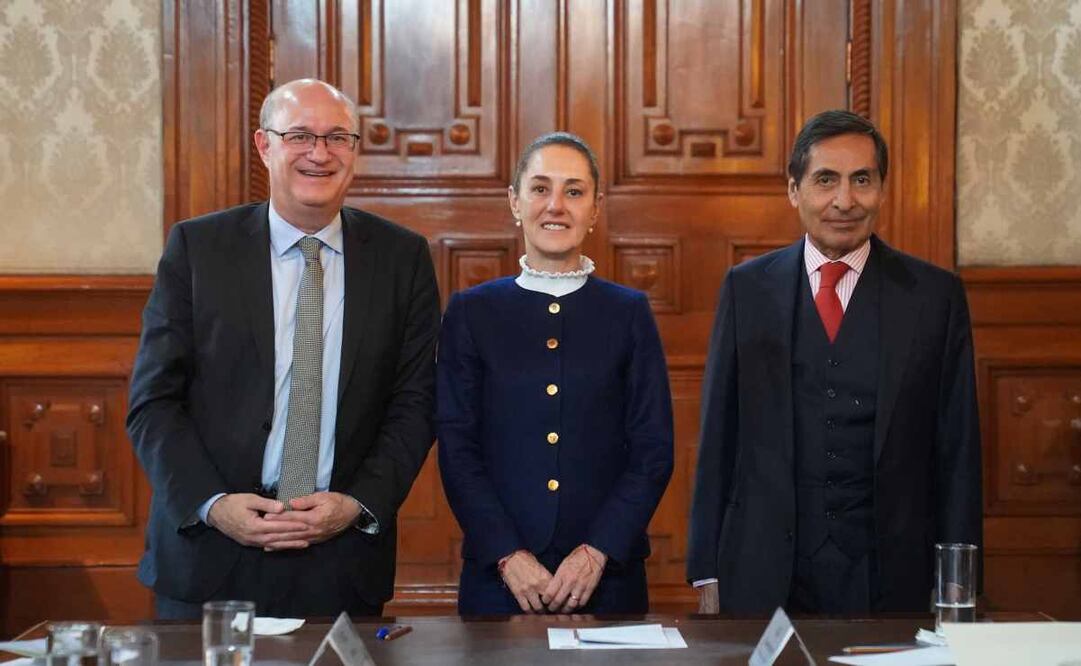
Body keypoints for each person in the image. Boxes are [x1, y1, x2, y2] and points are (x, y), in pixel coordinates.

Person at [127, 79, 440, 618]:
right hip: (210, 556)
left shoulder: (402, 258)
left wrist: (356, 504)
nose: (320, 153)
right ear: (263, 145)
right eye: (299, 135)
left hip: (339, 559)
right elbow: (154, 403)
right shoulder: (198, 249)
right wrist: (214, 505)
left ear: (355, 151)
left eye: (338, 137)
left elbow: (415, 404)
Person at [686, 110, 982, 614]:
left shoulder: (936, 296)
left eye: (861, 180)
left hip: (892, 571)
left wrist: (958, 578)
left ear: (882, 190)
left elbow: (958, 448)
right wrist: (705, 569)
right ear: (794, 190)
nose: (844, 200)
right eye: (826, 180)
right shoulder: (747, 288)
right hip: (764, 570)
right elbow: (719, 434)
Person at [437, 132, 674, 615]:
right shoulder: (472, 312)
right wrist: (508, 555)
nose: (556, 206)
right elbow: (458, 449)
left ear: (595, 207)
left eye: (574, 191)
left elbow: (652, 451)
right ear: (515, 202)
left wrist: (596, 552)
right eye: (540, 188)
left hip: (606, 578)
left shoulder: (629, 312)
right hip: (499, 579)